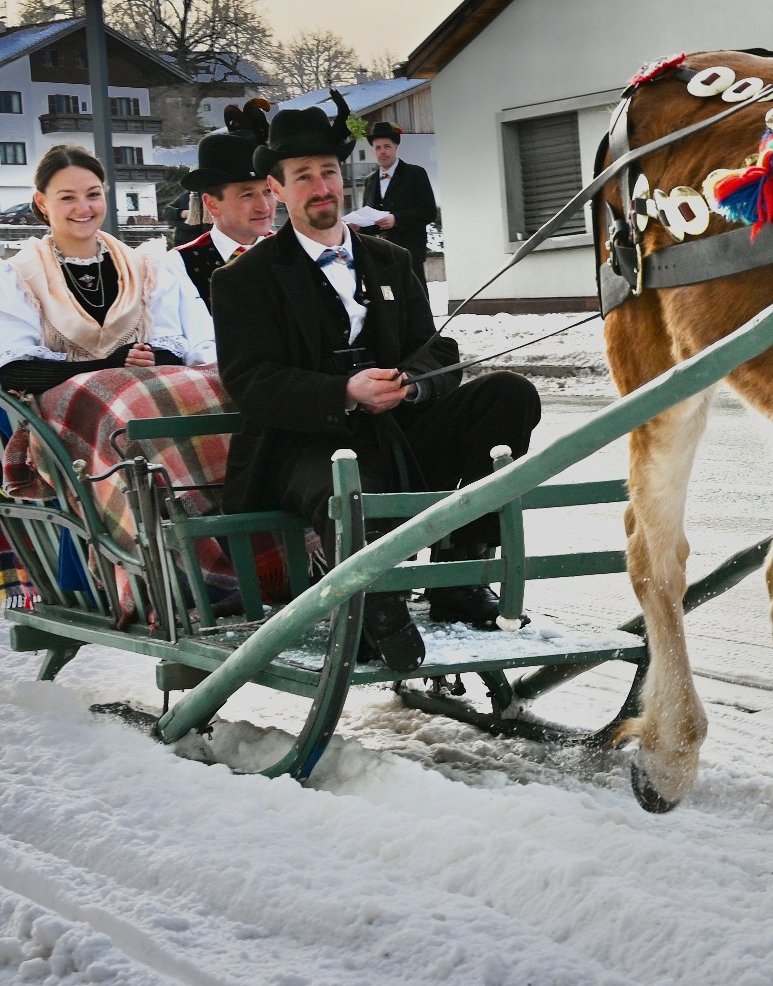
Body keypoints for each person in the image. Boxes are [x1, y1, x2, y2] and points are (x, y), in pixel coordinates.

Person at [211, 93, 541, 669]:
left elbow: (436, 347)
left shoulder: (391, 259)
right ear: (278, 189)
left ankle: (457, 574)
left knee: (509, 393)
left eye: (329, 173)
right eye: (303, 176)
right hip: (304, 446)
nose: (321, 187)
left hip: (400, 430)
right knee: (351, 481)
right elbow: (250, 382)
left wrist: (412, 384)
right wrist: (343, 392)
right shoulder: (245, 279)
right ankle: (374, 602)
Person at [0, 144, 202, 394]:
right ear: (42, 202)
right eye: (68, 197)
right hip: (59, 418)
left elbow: (172, 351)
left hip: (141, 403)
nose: (84, 208)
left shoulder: (146, 269)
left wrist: (149, 359)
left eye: (93, 195)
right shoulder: (17, 278)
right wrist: (107, 367)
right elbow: (14, 373)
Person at [171, 103, 277, 310]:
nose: (263, 207)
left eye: (268, 191)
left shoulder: (294, 253)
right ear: (212, 204)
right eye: (247, 195)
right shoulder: (179, 265)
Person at [358, 121, 439, 285]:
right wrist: (359, 226)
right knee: (388, 302)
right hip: (380, 254)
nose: (382, 152)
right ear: (373, 152)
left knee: (415, 301)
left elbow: (429, 211)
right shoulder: (370, 181)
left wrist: (397, 219)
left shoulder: (415, 174)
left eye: (387, 146)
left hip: (409, 253)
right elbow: (370, 218)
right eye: (378, 148)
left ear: (396, 148)